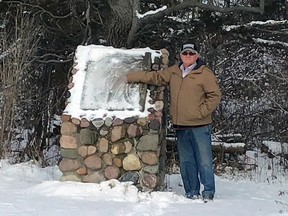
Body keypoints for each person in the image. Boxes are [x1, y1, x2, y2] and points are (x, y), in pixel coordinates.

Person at [126, 42, 221, 202]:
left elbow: (215, 95)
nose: (188, 56)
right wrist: (129, 77)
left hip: (200, 125)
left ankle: (208, 192)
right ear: (181, 55)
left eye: (191, 53)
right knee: (186, 161)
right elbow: (155, 77)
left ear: (197, 55)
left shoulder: (205, 73)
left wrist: (201, 112)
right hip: (181, 125)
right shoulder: (174, 72)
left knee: (204, 161)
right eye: (185, 53)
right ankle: (191, 191)